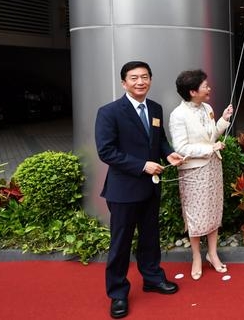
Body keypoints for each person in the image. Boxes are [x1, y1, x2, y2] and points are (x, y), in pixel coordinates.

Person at [95, 61, 184, 319]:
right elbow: (106, 151)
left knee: (150, 238)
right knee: (120, 243)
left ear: (151, 80)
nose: (140, 82)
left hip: (150, 188)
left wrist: (168, 155)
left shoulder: (155, 108)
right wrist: (142, 165)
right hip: (123, 190)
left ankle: (153, 278)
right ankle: (118, 293)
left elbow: (160, 141)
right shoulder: (109, 112)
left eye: (144, 77)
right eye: (134, 78)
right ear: (124, 83)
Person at [168, 69, 233, 280]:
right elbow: (181, 147)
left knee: (213, 210)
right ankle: (196, 256)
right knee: (195, 215)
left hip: (213, 167)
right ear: (193, 91)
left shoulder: (207, 108)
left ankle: (212, 254)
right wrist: (210, 149)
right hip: (193, 171)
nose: (209, 89)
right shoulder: (178, 115)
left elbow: (211, 135)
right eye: (205, 86)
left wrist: (223, 120)